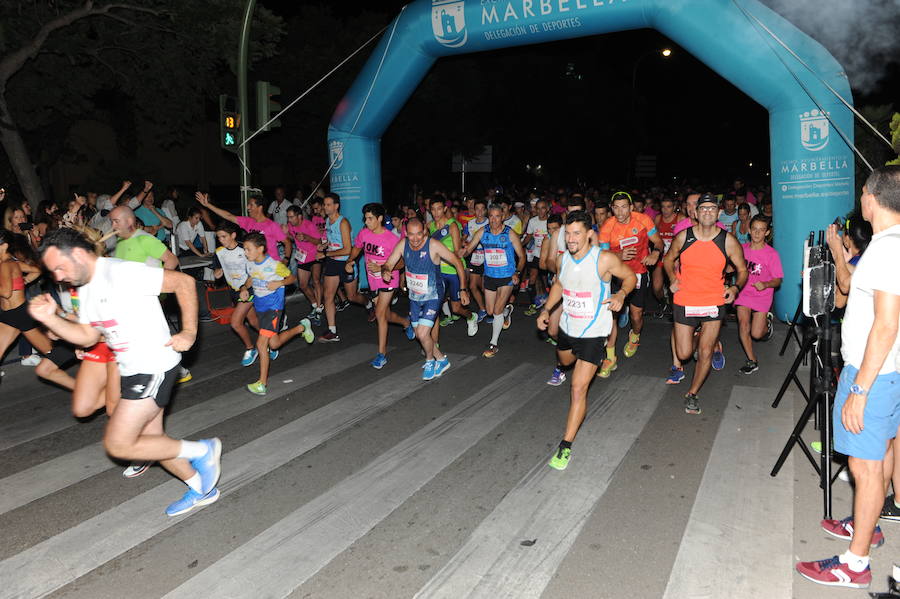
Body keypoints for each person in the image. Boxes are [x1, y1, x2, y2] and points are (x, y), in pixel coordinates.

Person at [30, 227, 223, 517]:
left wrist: (189, 332)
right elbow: (86, 336)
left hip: (153, 365)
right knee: (152, 441)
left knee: (119, 443)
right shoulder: (86, 289)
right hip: (132, 368)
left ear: (80, 254)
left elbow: (183, 282)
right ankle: (201, 488)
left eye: (60, 267)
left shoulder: (120, 273)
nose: (57, 276)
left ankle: (202, 452)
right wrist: (51, 319)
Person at [797, 165, 900, 589]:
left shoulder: (888, 248)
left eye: (862, 194)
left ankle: (855, 563)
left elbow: (886, 324)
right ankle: (867, 525)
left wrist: (859, 388)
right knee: (882, 450)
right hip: (886, 372)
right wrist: (840, 251)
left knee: (864, 466)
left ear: (871, 199)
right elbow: (859, 289)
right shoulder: (887, 245)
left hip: (874, 374)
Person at [537, 210, 635, 470]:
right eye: (567, 234)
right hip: (568, 329)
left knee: (578, 388)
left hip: (594, 334)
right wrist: (546, 310)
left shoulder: (603, 260)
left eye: (576, 233)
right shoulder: (564, 260)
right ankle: (563, 364)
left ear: (590, 234)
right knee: (565, 361)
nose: (570, 238)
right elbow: (559, 285)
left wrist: (621, 295)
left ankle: (565, 446)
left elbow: (630, 277)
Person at [663, 193, 748, 414]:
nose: (708, 212)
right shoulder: (683, 237)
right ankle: (698, 334)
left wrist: (734, 288)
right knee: (683, 354)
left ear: (719, 212)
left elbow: (742, 270)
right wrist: (672, 278)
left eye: (712, 208)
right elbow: (668, 259)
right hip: (685, 299)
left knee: (705, 352)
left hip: (713, 301)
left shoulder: (728, 240)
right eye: (703, 209)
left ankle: (692, 393)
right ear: (696, 213)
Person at [380, 217, 469, 380]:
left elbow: (457, 261)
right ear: (406, 233)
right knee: (420, 333)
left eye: (419, 234)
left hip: (434, 295)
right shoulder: (403, 244)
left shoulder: (433, 245)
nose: (415, 239)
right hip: (415, 296)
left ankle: (430, 361)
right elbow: (389, 263)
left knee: (421, 332)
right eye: (411, 235)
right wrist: (385, 271)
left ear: (425, 232)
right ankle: (441, 359)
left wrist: (463, 289)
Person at [0, 229, 78, 391]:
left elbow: (6, 293)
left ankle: (88, 373)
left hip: (20, 315)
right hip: (8, 316)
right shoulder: (11, 262)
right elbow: (35, 270)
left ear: (4, 246)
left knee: (53, 353)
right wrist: (23, 282)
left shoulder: (6, 264)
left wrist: (19, 284)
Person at [596, 191, 664, 377]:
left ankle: (635, 335)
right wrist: (618, 256)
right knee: (611, 316)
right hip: (615, 274)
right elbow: (602, 256)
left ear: (631, 207)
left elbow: (658, 242)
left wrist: (655, 254)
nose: (620, 212)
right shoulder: (607, 227)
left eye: (624, 207)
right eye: (616, 207)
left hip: (638, 272)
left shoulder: (643, 220)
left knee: (636, 315)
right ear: (611, 209)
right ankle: (610, 357)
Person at [238, 233, 314, 395]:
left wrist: (279, 282)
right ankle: (302, 327)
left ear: (260, 249)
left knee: (261, 344)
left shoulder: (274, 265)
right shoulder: (250, 263)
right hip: (261, 308)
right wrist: (244, 288)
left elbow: (291, 277)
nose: (245, 252)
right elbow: (251, 278)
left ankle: (262, 384)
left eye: (248, 249)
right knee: (274, 344)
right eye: (244, 249)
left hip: (274, 309)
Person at [346, 203, 414, 368]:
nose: (366, 221)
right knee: (386, 315)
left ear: (380, 219)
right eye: (365, 218)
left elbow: (403, 263)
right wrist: (350, 261)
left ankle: (381, 354)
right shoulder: (364, 233)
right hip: (373, 280)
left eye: (370, 218)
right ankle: (406, 323)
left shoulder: (391, 239)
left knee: (379, 313)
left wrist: (384, 267)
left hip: (389, 280)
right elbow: (357, 248)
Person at [459, 204, 526, 358]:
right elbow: (469, 248)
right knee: (490, 311)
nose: (494, 220)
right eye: (491, 216)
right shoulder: (483, 232)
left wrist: (517, 272)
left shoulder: (510, 233)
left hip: (507, 276)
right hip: (489, 277)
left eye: (497, 216)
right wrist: (463, 252)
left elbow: (522, 256)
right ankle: (506, 311)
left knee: (496, 311)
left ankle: (493, 344)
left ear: (502, 217)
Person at [314, 192, 373, 342]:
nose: (325, 208)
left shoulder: (343, 223)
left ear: (336, 206)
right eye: (324, 205)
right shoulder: (328, 221)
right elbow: (332, 240)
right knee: (328, 295)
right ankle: (332, 331)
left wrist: (326, 253)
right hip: (333, 261)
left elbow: (347, 249)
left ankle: (368, 303)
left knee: (352, 296)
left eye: (328, 205)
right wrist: (324, 245)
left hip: (347, 262)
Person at [734, 215, 782, 374]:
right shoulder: (742, 249)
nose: (757, 233)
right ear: (749, 230)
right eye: (754, 229)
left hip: (762, 294)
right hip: (744, 292)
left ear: (767, 233)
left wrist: (766, 284)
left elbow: (778, 280)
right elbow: (734, 267)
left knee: (756, 333)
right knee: (743, 324)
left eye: (761, 230)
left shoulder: (771, 254)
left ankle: (767, 325)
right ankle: (752, 360)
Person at [210, 221, 261, 367]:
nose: (221, 240)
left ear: (233, 235)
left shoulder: (245, 249)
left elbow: (254, 272)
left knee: (236, 323)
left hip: (248, 289)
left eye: (224, 236)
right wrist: (217, 273)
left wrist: (245, 287)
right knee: (252, 321)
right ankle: (271, 337)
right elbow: (217, 269)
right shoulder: (219, 252)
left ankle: (251, 349)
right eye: (219, 237)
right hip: (233, 290)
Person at [428, 198, 478, 335]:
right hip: (438, 271)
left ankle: (471, 316)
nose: (436, 212)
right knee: (434, 307)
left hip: (453, 270)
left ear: (445, 209)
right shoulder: (431, 226)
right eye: (433, 209)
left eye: (439, 208)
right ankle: (434, 343)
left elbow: (457, 252)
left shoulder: (452, 226)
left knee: (456, 309)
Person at [284, 205, 323, 322]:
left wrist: (306, 237)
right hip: (303, 257)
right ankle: (315, 305)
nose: (289, 220)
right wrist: (286, 234)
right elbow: (294, 238)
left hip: (315, 255)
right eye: (288, 217)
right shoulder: (290, 226)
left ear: (299, 216)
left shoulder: (309, 225)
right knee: (303, 285)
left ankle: (319, 309)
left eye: (291, 217)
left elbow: (319, 241)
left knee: (316, 281)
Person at [462, 199, 490, 321]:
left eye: (481, 209)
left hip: (487, 259)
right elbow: (464, 238)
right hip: (473, 257)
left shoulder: (490, 223)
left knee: (485, 288)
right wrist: (464, 243)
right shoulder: (470, 224)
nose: (479, 211)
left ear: (485, 210)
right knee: (473, 286)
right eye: (476, 208)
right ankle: (483, 309)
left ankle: (493, 311)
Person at [523, 199, 550, 315]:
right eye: (537, 208)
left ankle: (551, 304)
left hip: (549, 255)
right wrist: (518, 246)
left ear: (548, 208)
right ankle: (533, 304)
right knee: (532, 279)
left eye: (543, 208)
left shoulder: (551, 221)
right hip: (536, 254)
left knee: (550, 281)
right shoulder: (533, 221)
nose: (540, 211)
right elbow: (528, 237)